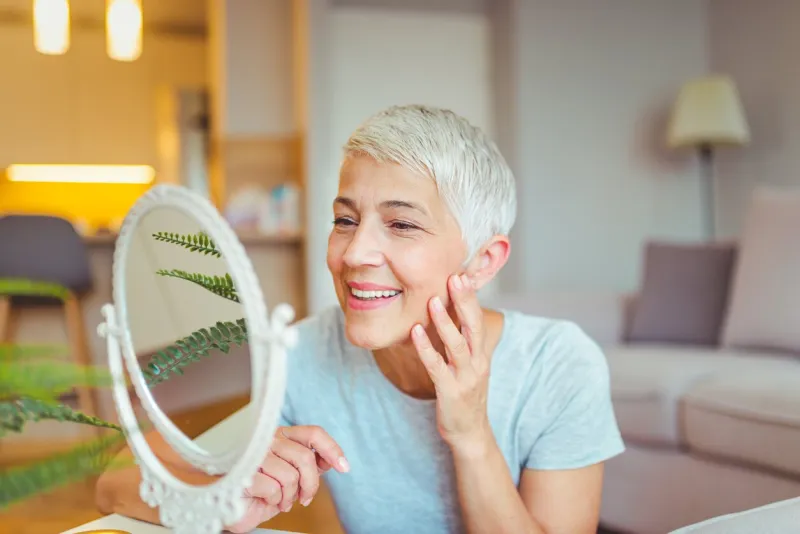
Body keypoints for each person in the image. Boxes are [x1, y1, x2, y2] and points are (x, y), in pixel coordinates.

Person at [96, 104, 625, 534]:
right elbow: (116, 479)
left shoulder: (559, 364)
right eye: (345, 220)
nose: (353, 254)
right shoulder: (304, 354)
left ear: (484, 260)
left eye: (400, 224)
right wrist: (216, 499)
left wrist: (470, 434)